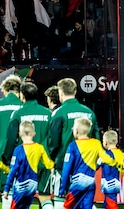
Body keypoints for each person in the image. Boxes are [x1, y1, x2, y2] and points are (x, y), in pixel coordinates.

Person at [47, 78, 98, 208]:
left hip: (62, 166)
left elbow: (53, 141)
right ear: (75, 91)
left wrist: (52, 159)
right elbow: (97, 138)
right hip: (86, 167)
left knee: (62, 201)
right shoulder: (89, 112)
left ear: (61, 92)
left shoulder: (58, 113)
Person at [59, 118, 119, 209]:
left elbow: (66, 168)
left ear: (76, 131)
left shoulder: (72, 146)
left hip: (77, 184)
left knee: (67, 207)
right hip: (91, 183)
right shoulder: (96, 143)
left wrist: (62, 188)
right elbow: (105, 158)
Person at [0, 76, 24, 209]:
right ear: (19, 90)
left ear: (4, 90)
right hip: (23, 153)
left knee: (4, 191)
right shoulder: (24, 106)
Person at [4, 120, 54, 209]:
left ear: (19, 134)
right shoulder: (40, 148)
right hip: (33, 184)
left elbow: (13, 170)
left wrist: (7, 188)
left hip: (21, 183)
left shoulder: (18, 150)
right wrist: (53, 166)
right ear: (34, 133)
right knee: (26, 206)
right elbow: (48, 164)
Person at [99, 130, 124, 209]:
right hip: (116, 182)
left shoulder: (105, 155)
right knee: (107, 204)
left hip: (108, 183)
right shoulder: (121, 154)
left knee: (111, 203)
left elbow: (96, 165)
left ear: (106, 142)